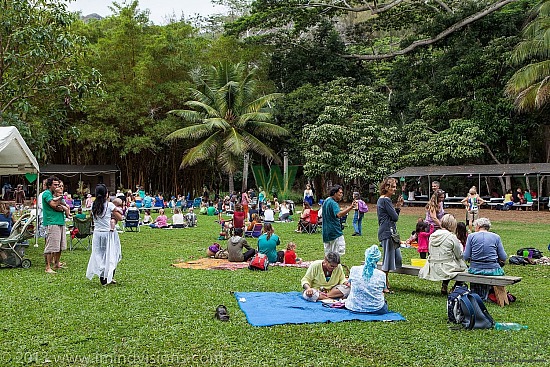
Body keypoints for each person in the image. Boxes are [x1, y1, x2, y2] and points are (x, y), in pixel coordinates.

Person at [418, 214, 467, 295]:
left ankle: (445, 285)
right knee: (464, 269)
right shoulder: (452, 237)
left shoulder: (432, 235)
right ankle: (456, 287)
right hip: (446, 267)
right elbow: (459, 255)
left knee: (448, 264)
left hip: (432, 266)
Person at [86, 184, 123, 285]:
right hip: (108, 233)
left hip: (97, 233)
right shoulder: (109, 205)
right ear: (106, 194)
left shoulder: (93, 205)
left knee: (99, 254)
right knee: (111, 254)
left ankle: (103, 277)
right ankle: (109, 276)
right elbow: (120, 218)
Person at [463, 217, 508, 300]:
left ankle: (476, 293)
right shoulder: (496, 237)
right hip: (493, 270)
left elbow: (465, 256)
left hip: (475, 269)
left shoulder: (471, 236)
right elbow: (504, 257)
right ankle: (489, 293)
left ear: (478, 226)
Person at [377, 177, 404, 293]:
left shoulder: (383, 200)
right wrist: (397, 208)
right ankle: (383, 285)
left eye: (395, 186)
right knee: (387, 261)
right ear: (386, 187)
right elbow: (395, 217)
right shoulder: (385, 200)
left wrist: (397, 207)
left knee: (396, 258)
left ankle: (386, 282)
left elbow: (393, 216)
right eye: (392, 186)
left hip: (389, 232)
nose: (394, 189)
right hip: (387, 232)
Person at [345, 245, 389, 314]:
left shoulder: (354, 269)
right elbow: (384, 290)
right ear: (377, 259)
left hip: (353, 307)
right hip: (376, 309)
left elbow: (350, 285)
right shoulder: (381, 274)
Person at [42, 176, 68, 274]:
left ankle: (56, 263)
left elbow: (62, 206)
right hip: (52, 222)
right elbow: (53, 205)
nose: (57, 186)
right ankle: (47, 267)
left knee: (60, 245)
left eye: (58, 184)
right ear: (49, 185)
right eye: (55, 184)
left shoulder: (55, 194)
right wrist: (60, 205)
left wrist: (62, 207)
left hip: (60, 221)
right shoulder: (47, 194)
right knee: (51, 246)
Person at [321, 185, 356, 256]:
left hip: (326, 232)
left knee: (328, 255)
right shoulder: (333, 203)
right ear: (334, 193)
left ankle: (327, 266)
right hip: (334, 232)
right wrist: (351, 207)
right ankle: (335, 266)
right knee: (337, 253)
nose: (341, 195)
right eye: (340, 193)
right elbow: (339, 214)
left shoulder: (326, 201)